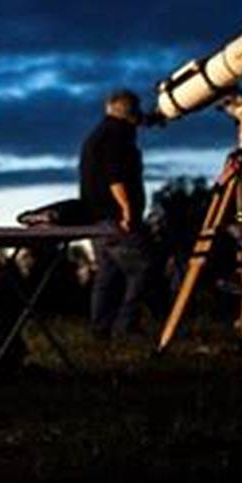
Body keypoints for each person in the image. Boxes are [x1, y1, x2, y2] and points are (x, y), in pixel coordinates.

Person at [78, 89, 159, 338]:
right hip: (115, 217)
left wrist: (155, 118)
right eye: (136, 110)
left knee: (108, 275)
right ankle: (127, 326)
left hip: (96, 217)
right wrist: (127, 211)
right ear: (128, 111)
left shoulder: (101, 133)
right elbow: (116, 176)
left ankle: (101, 329)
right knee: (146, 266)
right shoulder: (117, 136)